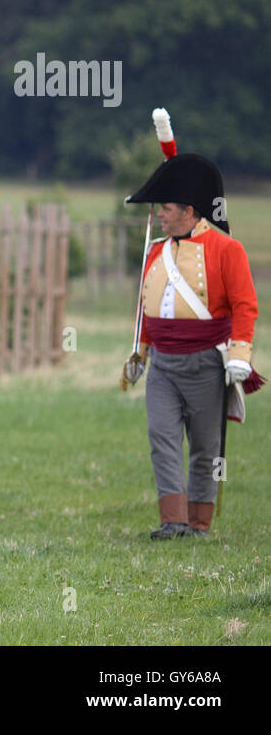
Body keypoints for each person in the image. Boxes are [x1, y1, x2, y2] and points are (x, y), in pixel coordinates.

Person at [123, 152, 260, 537]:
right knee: (161, 438)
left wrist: (240, 354)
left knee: (205, 446)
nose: (160, 216)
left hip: (205, 363)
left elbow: (244, 305)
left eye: (166, 209)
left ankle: (199, 522)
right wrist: (140, 352)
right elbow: (151, 309)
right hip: (163, 365)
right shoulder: (156, 252)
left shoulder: (227, 250)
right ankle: (173, 520)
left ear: (188, 210)